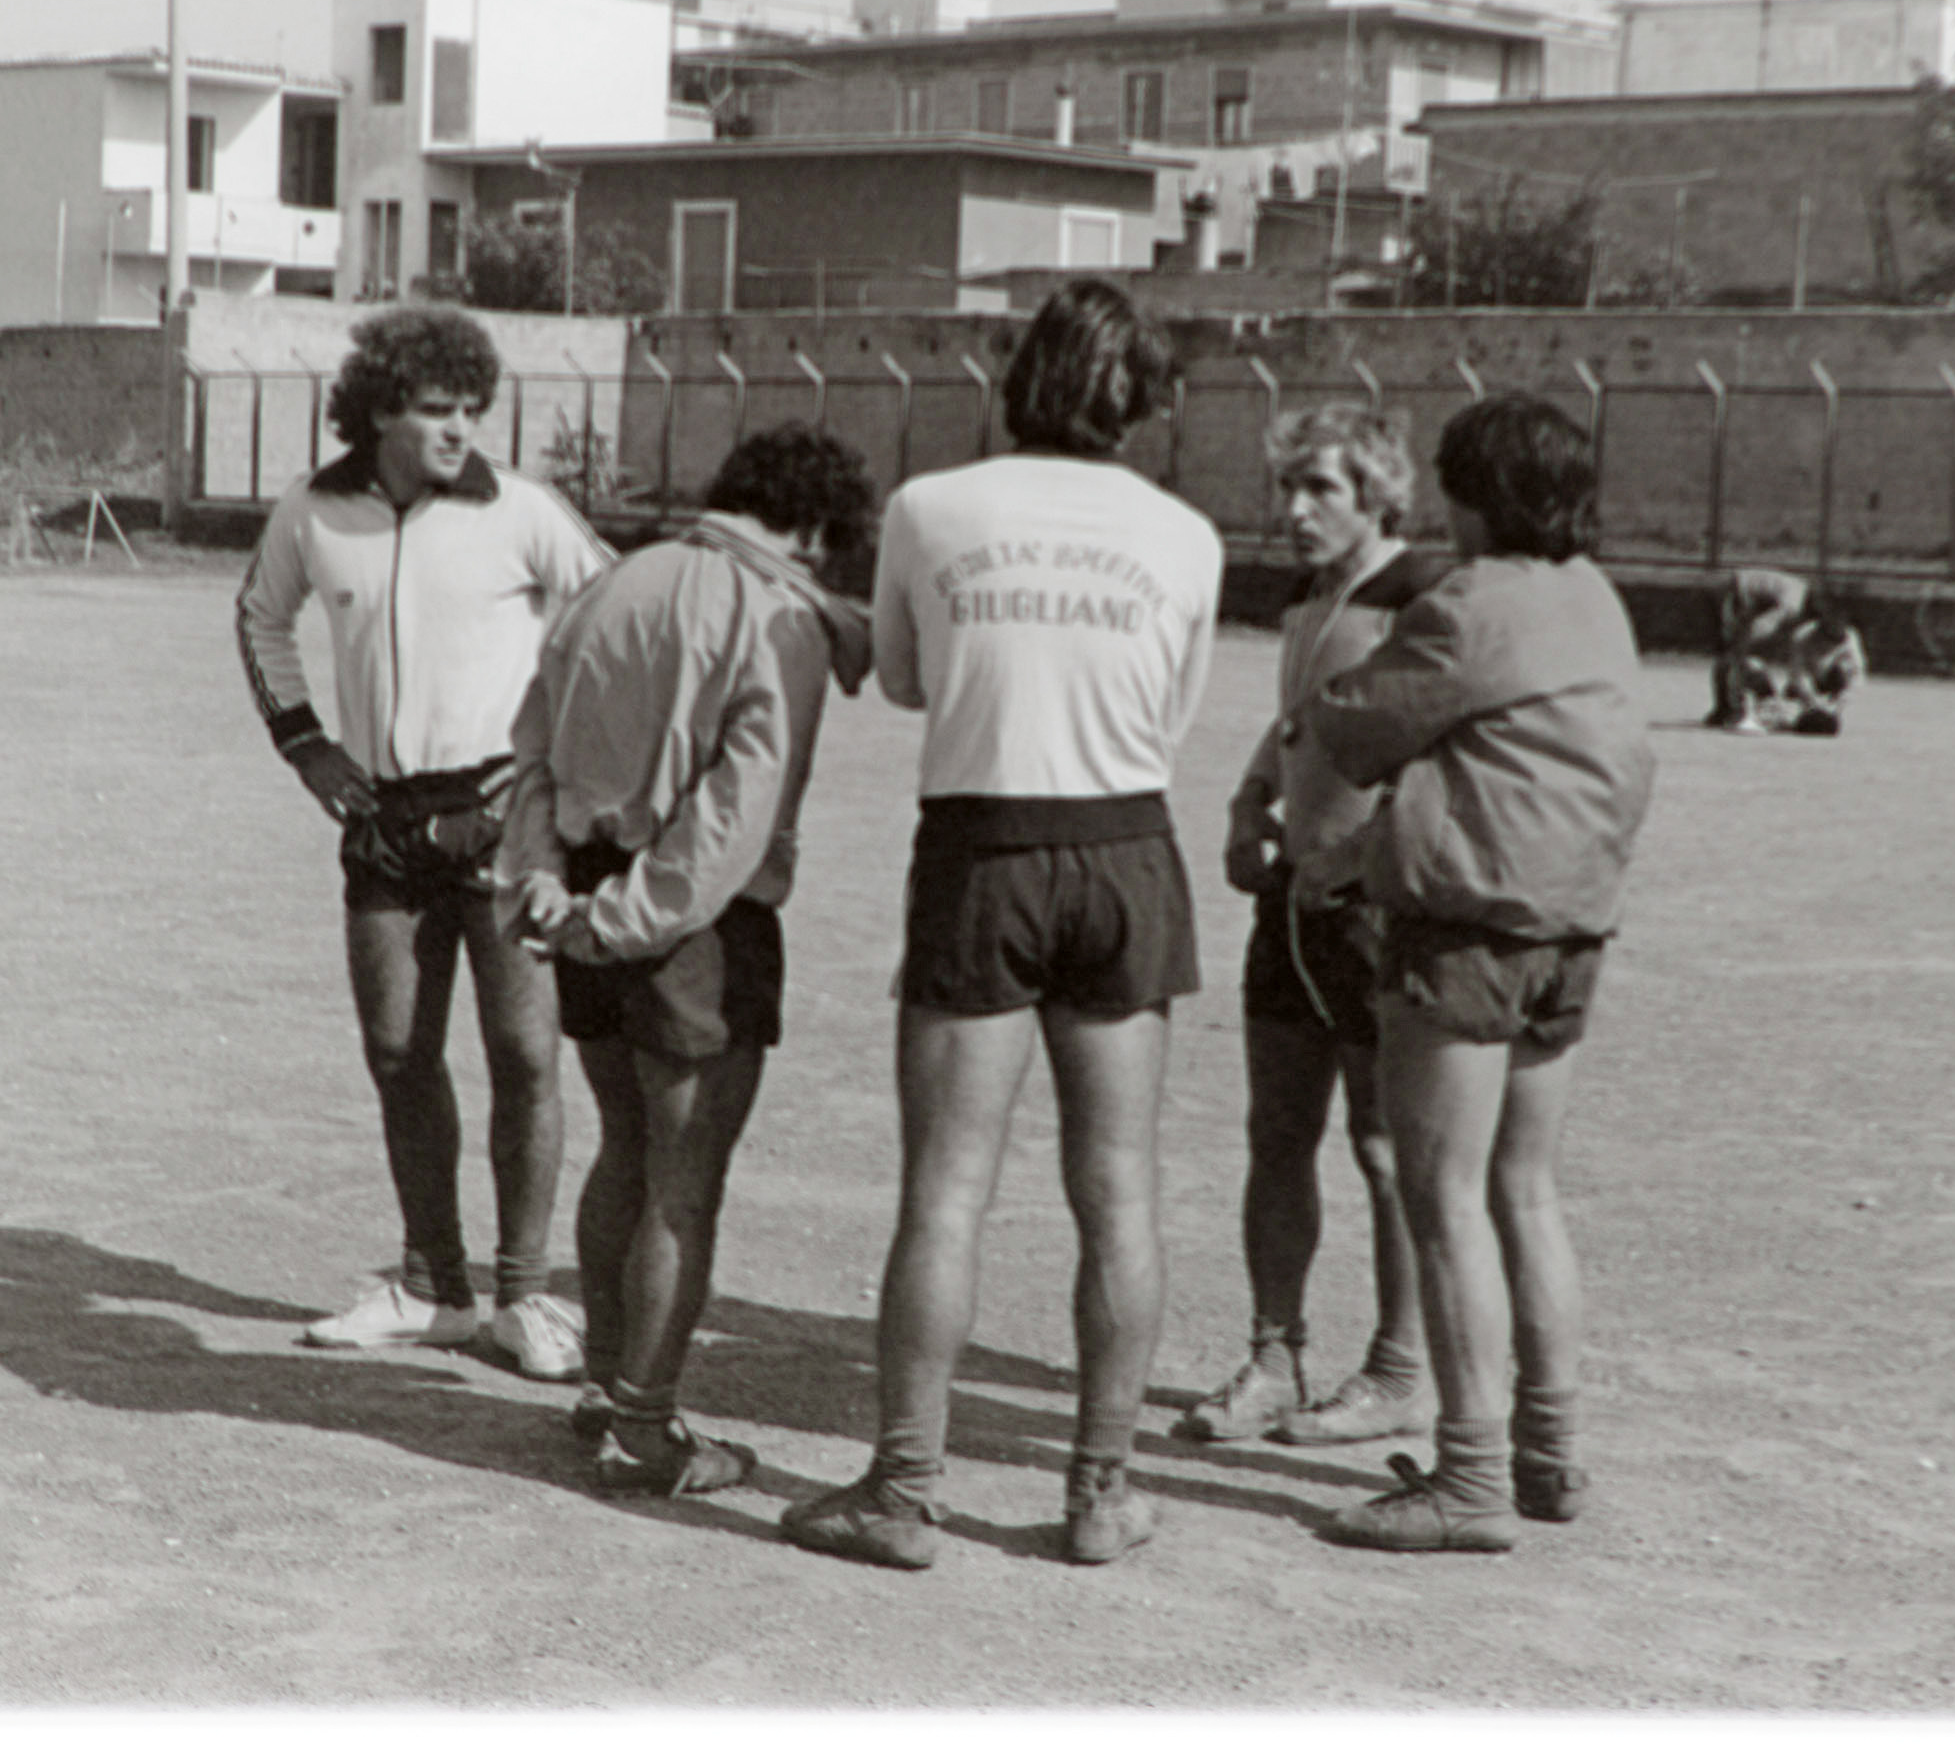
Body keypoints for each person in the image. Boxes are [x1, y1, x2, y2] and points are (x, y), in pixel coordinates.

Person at [779, 277, 1224, 1571]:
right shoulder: (1185, 534)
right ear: (1139, 399)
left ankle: (904, 1495)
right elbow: (1173, 714)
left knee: (947, 1190)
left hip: (983, 848)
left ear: (1018, 376)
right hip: (1127, 847)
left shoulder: (930, 506)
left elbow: (907, 678)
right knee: (1120, 1186)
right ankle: (1099, 1492)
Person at [493, 424, 878, 1501]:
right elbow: (731, 819)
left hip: (584, 886)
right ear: (811, 525)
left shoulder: (616, 582)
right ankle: (644, 1426)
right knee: (683, 1184)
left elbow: (529, 748)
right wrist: (627, 916)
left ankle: (609, 1391)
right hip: (687, 925)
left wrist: (552, 890)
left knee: (624, 1152)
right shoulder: (778, 615)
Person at [1305, 392, 1655, 1552]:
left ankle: (1466, 1481)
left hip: (1467, 928)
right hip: (1571, 926)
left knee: (1439, 1193)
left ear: (1471, 493)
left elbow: (1352, 729)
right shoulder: (1594, 597)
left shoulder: (1466, 603)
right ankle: (1548, 1451)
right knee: (1525, 1188)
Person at [237, 306, 610, 1370]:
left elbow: (618, 621)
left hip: (506, 816)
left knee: (526, 1054)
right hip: (384, 824)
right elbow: (260, 615)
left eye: (469, 410)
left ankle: (526, 1299)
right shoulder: (313, 510)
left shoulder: (523, 512)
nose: (460, 429)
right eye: (437, 409)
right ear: (381, 410)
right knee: (399, 1051)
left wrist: (555, 777)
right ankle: (434, 1283)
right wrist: (307, 743)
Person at [1180, 403, 1455, 1449]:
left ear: (1379, 491)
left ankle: (1397, 1369)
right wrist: (1251, 799)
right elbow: (1299, 715)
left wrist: (1360, 852)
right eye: (1287, 488)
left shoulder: (1419, 594)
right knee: (1277, 1134)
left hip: (1374, 914)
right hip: (1289, 909)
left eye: (1320, 489)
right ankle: (1275, 1355)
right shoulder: (1310, 598)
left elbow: (1440, 746)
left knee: (1387, 1145)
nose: (1293, 510)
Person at [1706, 566, 1866, 736]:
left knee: (1729, 654)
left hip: (1732, 586)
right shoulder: (1794, 604)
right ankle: (1735, 711)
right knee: (1736, 655)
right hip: (1732, 589)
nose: (1824, 613)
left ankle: (1722, 709)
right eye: (1826, 607)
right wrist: (1743, 647)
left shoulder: (1799, 593)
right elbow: (1763, 625)